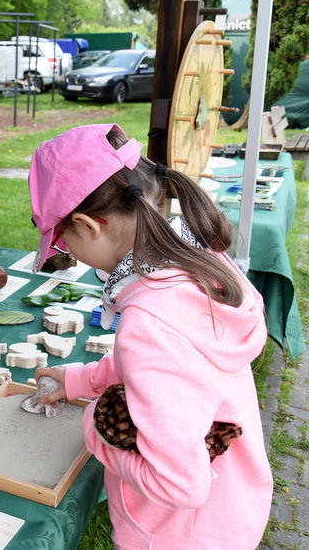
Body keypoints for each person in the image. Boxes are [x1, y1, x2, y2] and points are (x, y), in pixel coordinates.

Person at [30, 124, 272, 548]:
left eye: (64, 244)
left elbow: (181, 486)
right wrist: (82, 380)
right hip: (230, 507)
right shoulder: (197, 257)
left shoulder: (148, 324)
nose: (70, 255)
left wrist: (95, 430)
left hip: (176, 535)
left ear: (88, 226)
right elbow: (171, 364)